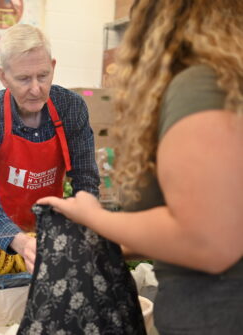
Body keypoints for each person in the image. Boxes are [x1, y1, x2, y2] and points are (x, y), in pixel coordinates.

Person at [39, 0, 243, 333]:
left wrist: (93, 215)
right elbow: (205, 220)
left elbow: (208, 241)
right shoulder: (226, 81)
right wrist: (106, 244)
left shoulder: (202, 85)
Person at [0, 24, 100, 272]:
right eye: (24, 79)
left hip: (49, 235)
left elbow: (86, 181)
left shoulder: (71, 108)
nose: (36, 89)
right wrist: (20, 242)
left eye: (43, 75)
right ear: (3, 77)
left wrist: (80, 229)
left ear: (53, 67)